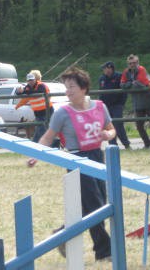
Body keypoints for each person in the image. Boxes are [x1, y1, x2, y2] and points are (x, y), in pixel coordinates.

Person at [27, 66, 114, 262]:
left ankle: (62, 234)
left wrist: (108, 134)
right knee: (96, 206)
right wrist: (36, 154)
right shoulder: (62, 113)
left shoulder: (100, 106)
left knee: (94, 205)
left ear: (83, 88)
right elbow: (48, 137)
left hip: (98, 157)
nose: (68, 91)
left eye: (72, 87)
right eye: (66, 87)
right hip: (76, 160)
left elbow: (111, 129)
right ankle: (104, 251)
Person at [120, 54, 150, 149]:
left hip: (149, 100)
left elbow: (141, 84)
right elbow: (122, 84)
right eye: (130, 63)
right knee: (139, 125)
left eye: (134, 63)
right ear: (128, 64)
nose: (132, 65)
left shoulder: (142, 69)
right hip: (137, 102)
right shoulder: (126, 72)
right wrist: (131, 83)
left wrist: (132, 84)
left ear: (138, 63)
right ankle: (147, 143)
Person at [98, 61, 131, 149]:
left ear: (110, 68)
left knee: (118, 124)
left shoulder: (119, 76)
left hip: (117, 105)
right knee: (109, 125)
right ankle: (113, 145)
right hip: (106, 106)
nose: (104, 70)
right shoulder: (102, 79)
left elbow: (124, 91)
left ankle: (126, 144)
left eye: (105, 68)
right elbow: (101, 92)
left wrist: (121, 103)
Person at [15, 70, 50, 142]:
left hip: (46, 111)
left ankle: (41, 145)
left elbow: (39, 92)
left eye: (32, 80)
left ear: (35, 79)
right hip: (38, 113)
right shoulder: (28, 87)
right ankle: (37, 145)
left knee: (42, 131)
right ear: (27, 81)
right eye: (29, 80)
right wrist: (19, 91)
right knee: (39, 131)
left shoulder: (41, 85)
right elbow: (20, 94)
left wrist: (24, 92)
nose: (31, 82)